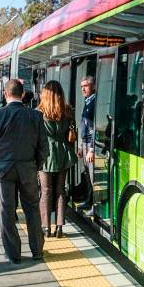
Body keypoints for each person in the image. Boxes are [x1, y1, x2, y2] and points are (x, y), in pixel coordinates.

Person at [0, 79, 48, 264]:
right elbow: (43, 146)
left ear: (5, 94)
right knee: (32, 209)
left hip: (3, 170)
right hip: (28, 168)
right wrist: (36, 165)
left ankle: (13, 254)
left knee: (6, 211)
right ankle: (37, 250)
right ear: (23, 95)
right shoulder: (35, 116)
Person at [37, 81, 77, 239]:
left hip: (46, 155)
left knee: (46, 191)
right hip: (63, 153)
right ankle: (59, 226)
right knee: (61, 191)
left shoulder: (39, 112)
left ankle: (45, 227)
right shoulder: (67, 110)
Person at [77, 76, 96, 215]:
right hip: (85, 143)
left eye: (86, 85)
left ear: (93, 86)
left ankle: (94, 206)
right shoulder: (87, 101)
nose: (83, 88)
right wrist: (80, 146)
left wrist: (91, 149)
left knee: (92, 176)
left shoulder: (94, 101)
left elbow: (94, 127)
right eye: (81, 86)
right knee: (88, 177)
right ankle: (89, 201)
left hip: (90, 144)